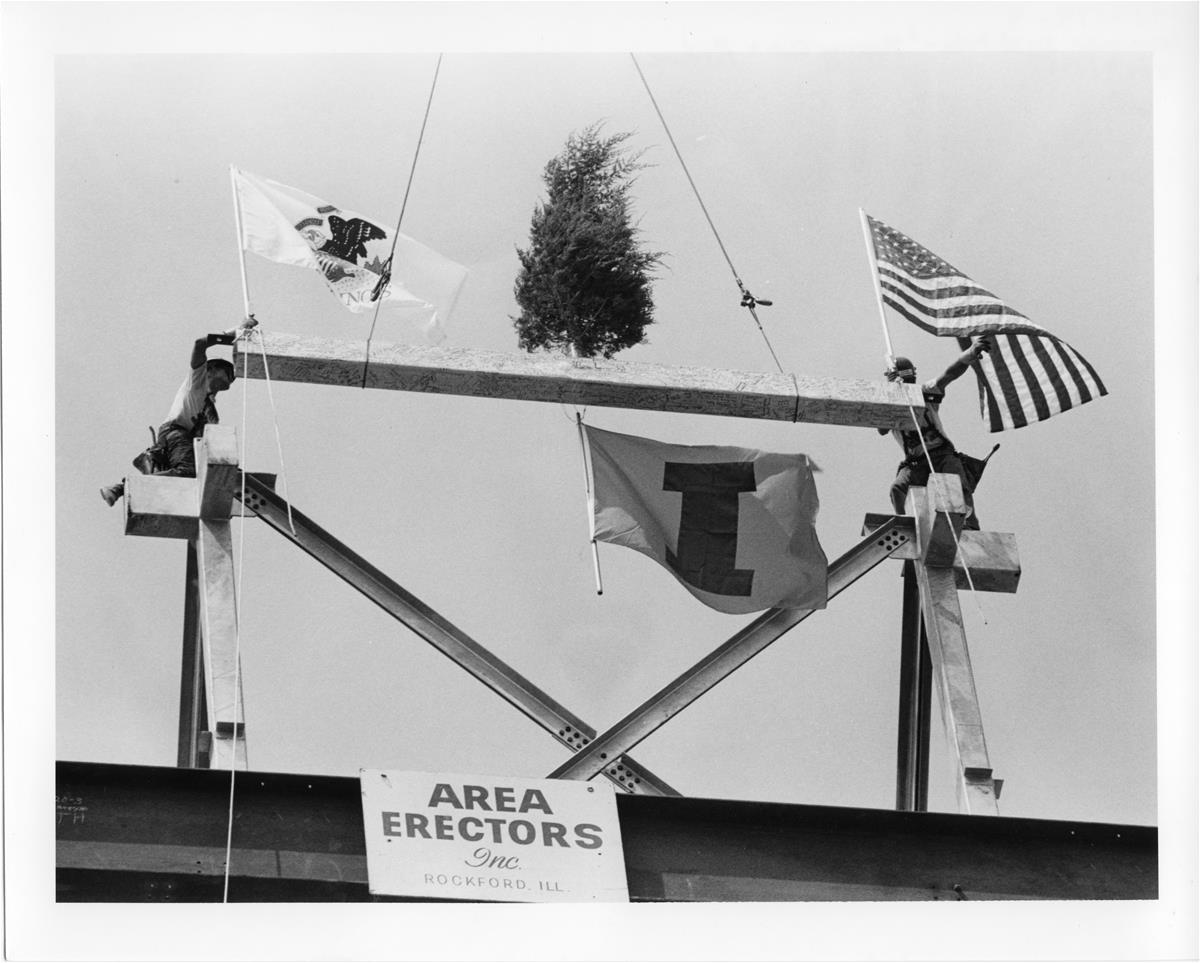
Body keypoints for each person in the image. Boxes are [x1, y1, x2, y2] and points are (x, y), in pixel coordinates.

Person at [100, 320, 257, 506]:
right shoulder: (197, 380)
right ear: (211, 369)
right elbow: (200, 343)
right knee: (186, 472)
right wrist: (236, 331)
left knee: (188, 479)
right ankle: (121, 488)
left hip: (183, 439)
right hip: (174, 431)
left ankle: (120, 488)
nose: (232, 378)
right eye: (228, 372)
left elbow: (206, 444)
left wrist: (228, 469)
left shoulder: (211, 411)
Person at [878, 335, 993, 530]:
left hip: (942, 455)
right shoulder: (891, 409)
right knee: (898, 489)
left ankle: (969, 526)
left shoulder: (924, 394)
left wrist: (968, 354)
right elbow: (881, 429)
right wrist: (892, 393)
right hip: (916, 462)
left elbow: (949, 374)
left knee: (956, 488)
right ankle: (905, 523)